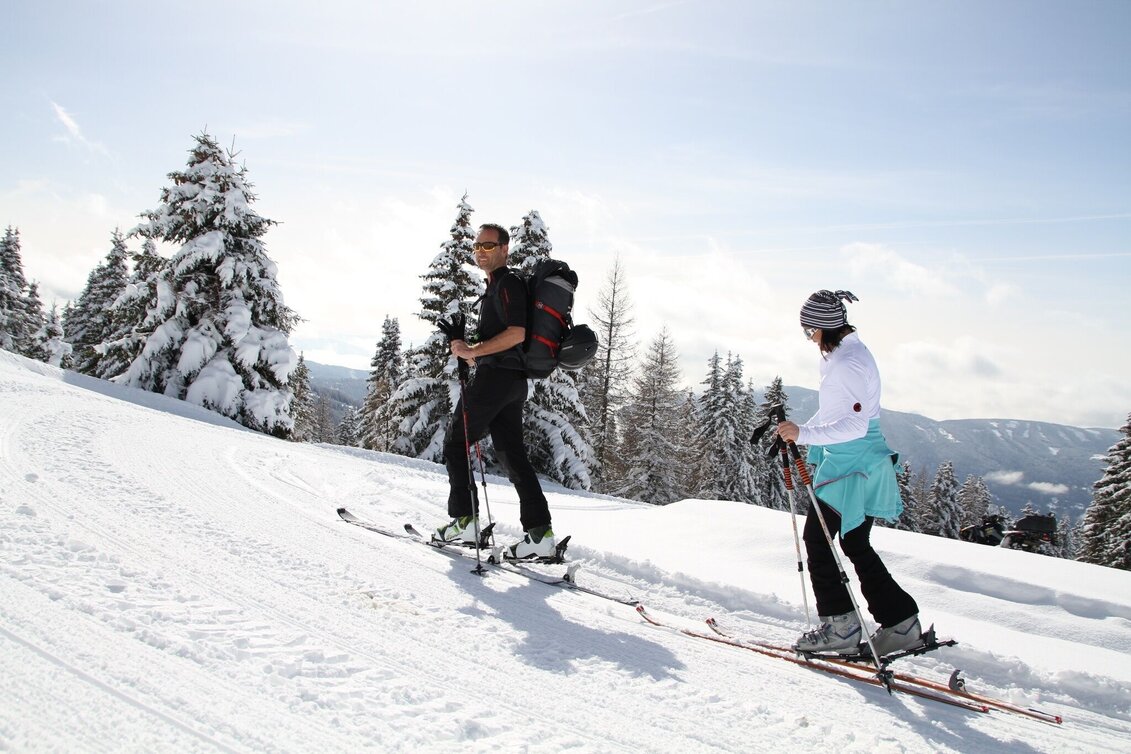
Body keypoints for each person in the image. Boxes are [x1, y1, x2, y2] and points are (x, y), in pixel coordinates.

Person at [775, 290, 923, 657]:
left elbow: (855, 424)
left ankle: (840, 626)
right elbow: (836, 415)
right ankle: (901, 622)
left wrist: (805, 434)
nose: (809, 339)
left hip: (851, 463)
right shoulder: (846, 356)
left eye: (809, 331)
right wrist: (798, 431)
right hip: (859, 459)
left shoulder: (847, 364)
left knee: (817, 540)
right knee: (854, 543)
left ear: (822, 328)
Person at [433, 223, 557, 560]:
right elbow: (501, 345)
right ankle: (539, 535)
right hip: (509, 382)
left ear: (504, 248)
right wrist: (466, 350)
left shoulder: (508, 283)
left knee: (455, 443)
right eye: (477, 246)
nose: (481, 251)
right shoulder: (494, 290)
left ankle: (464, 521)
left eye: (488, 245)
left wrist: (472, 351)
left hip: (499, 380)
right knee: (511, 454)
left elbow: (516, 334)